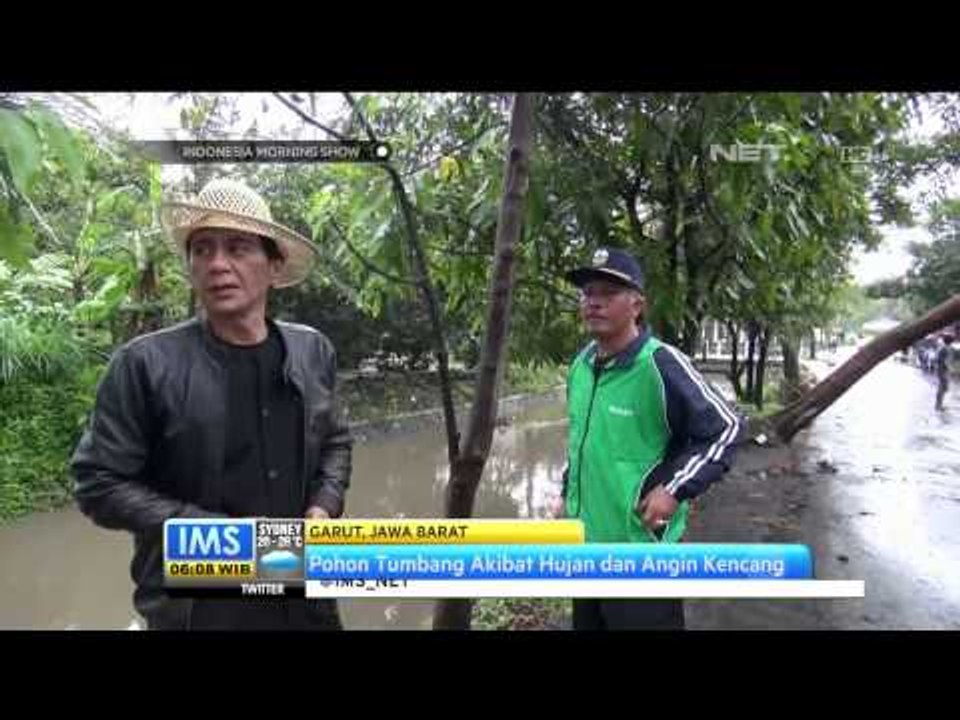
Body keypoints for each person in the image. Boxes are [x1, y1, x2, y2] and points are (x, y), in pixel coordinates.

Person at [71, 179, 352, 630]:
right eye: (202, 249)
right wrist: (214, 536)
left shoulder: (312, 352)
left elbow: (336, 440)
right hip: (198, 609)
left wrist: (324, 504)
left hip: (304, 593)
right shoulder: (144, 365)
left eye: (238, 248)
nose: (217, 264)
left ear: (274, 265)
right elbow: (97, 482)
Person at [554, 247, 742, 630]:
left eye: (608, 292)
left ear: (637, 305)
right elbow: (584, 440)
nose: (594, 302)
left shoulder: (661, 364)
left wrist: (673, 490)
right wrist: (566, 494)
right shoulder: (582, 365)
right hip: (587, 549)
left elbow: (727, 428)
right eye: (588, 293)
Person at [935, 334, 954, 411]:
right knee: (943, 388)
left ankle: (939, 405)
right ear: (951, 341)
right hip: (943, 371)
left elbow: (939, 359)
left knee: (943, 388)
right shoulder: (946, 349)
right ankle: (939, 406)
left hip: (941, 370)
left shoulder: (942, 348)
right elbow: (946, 361)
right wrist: (951, 369)